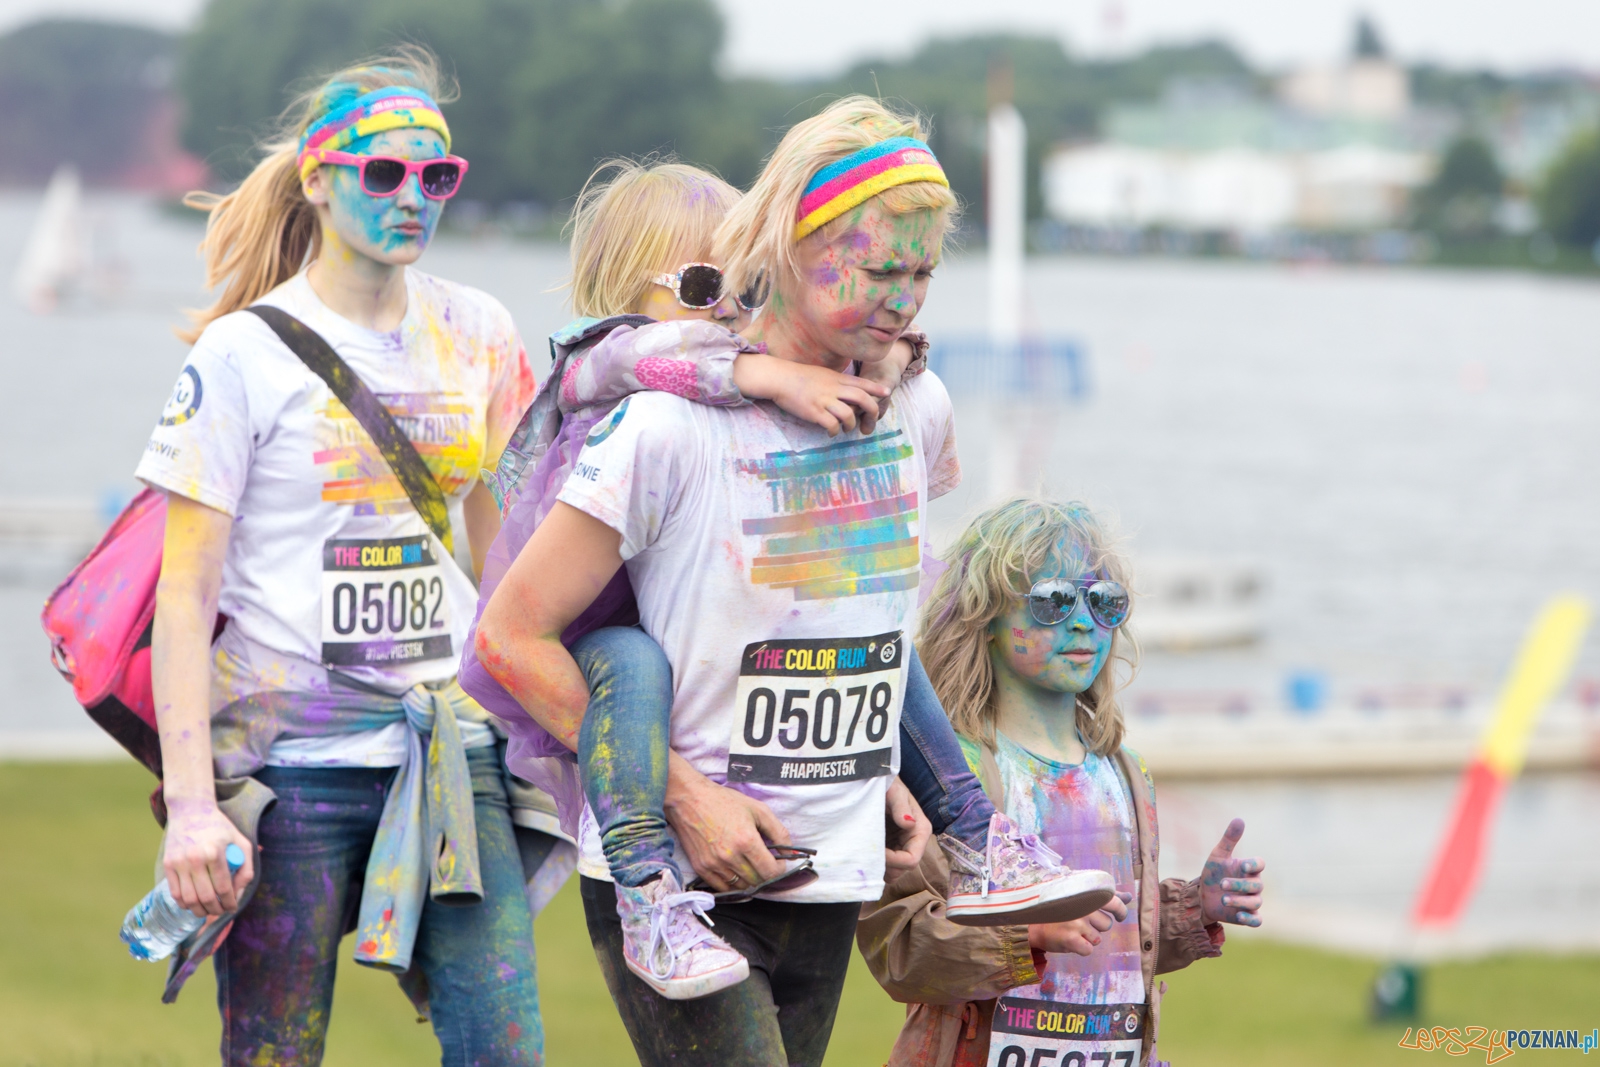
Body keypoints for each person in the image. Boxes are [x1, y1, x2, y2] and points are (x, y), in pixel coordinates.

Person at [475, 97, 1110, 1067]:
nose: (901, 296)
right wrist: (686, 800)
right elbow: (511, 635)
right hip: (687, 860)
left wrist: (888, 776)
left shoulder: (911, 407)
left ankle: (986, 839)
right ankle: (652, 886)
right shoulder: (654, 417)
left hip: (830, 860)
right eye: (876, 268)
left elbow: (863, 614)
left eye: (921, 271)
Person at [141, 49, 547, 1065]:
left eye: (435, 177)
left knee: (504, 1048)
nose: (413, 197)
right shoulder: (240, 352)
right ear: (319, 180)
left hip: (449, 753)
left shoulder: (481, 333)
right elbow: (182, 596)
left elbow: (511, 568)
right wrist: (191, 807)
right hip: (292, 767)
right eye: (384, 173)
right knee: (275, 1050)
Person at [858, 497, 1267, 1067]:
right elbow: (897, 945)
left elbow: (1119, 943)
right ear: (986, 619)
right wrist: (1027, 935)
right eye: (1052, 601)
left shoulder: (1124, 771)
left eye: (1104, 602)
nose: (1082, 621)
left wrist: (1194, 908)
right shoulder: (950, 777)